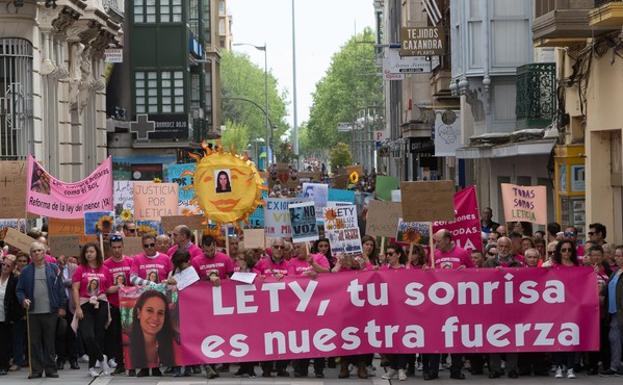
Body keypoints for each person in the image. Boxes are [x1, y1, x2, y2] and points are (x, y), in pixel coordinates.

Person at [16, 241, 67, 379]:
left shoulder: (54, 268)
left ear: (44, 253)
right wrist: (23, 300)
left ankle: (51, 369)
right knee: (34, 342)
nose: (37, 253)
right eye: (34, 251)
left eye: (39, 250)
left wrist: (62, 306)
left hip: (50, 311)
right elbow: (19, 290)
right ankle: (36, 370)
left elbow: (60, 289)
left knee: (50, 341)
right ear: (31, 254)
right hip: (32, 312)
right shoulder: (26, 271)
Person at [427, 230, 470, 380]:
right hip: (437, 302)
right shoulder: (434, 255)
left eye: (438, 241)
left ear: (447, 239)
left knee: (456, 335)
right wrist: (426, 271)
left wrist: (467, 271)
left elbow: (476, 272)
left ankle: (456, 370)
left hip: (457, 302)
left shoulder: (462, 253)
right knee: (435, 335)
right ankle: (433, 370)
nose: (436, 244)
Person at [288, 243, 330, 378]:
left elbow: (328, 272)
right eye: (294, 248)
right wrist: (305, 276)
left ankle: (319, 369)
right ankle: (301, 368)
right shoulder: (292, 262)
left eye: (298, 247)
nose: (295, 250)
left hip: (317, 303)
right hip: (299, 305)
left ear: (306, 246)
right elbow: (289, 279)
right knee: (302, 337)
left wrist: (315, 268)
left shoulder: (319, 257)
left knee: (319, 336)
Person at [72, 243, 114, 378]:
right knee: (87, 335)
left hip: (101, 304)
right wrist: (77, 307)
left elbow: (108, 289)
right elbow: (75, 289)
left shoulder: (105, 269)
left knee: (98, 336)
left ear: (97, 253)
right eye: (86, 252)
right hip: (85, 304)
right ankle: (102, 359)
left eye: (91, 251)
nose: (89, 254)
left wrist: (121, 287)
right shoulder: (80, 269)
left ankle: (91, 367)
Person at [484, 237, 523, 379]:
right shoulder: (488, 263)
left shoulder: (517, 264)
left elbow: (522, 283)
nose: (503, 249)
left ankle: (512, 368)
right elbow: (480, 282)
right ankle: (495, 369)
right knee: (493, 337)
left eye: (506, 246)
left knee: (513, 337)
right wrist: (493, 274)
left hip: (512, 306)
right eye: (500, 246)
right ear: (497, 247)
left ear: (510, 248)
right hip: (493, 306)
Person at [544, 240, 579, 378]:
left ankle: (570, 367)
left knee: (570, 336)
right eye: (563, 250)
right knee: (557, 336)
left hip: (572, 307)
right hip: (556, 306)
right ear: (559, 251)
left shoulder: (577, 267)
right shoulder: (554, 266)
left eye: (569, 250)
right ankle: (558, 366)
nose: (566, 253)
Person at [103, 234, 134, 375]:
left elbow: (134, 282)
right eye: (114, 248)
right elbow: (105, 288)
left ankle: (133, 363)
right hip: (114, 305)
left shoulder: (131, 261)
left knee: (131, 334)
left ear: (123, 247)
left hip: (130, 305)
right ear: (110, 248)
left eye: (119, 247)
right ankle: (120, 364)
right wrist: (117, 287)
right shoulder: (105, 265)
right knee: (116, 336)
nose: (117, 250)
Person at [128, 291, 176, 372]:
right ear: (138, 313)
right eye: (149, 310)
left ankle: (156, 369)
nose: (155, 318)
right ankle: (144, 370)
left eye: (160, 313)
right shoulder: (127, 343)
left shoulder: (174, 346)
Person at [381, 244, 408, 381]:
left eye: (391, 254)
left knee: (402, 339)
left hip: (404, 310)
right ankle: (393, 367)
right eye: (387, 254)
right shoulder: (384, 269)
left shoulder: (406, 269)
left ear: (398, 255)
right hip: (388, 310)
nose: (388, 256)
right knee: (391, 339)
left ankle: (401, 368)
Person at [54, 254, 80, 371]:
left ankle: (73, 359)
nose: (62, 257)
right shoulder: (53, 267)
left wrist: (63, 282)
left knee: (72, 332)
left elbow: (76, 281)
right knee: (59, 333)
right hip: (59, 304)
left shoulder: (74, 267)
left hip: (71, 304)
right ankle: (60, 359)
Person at [604, 245, 623, 375]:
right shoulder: (616, 271)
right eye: (616, 255)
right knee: (614, 338)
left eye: (619, 255)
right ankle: (615, 366)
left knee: (614, 338)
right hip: (613, 311)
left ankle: (615, 366)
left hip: (620, 311)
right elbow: (607, 289)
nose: (616, 258)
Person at [0, 255, 18, 375]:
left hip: (5, 315)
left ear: (12, 268)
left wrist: (14, 316)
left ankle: (3, 365)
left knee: (4, 342)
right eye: (3, 264)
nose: (5, 267)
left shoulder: (14, 280)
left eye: (8, 266)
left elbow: (16, 300)